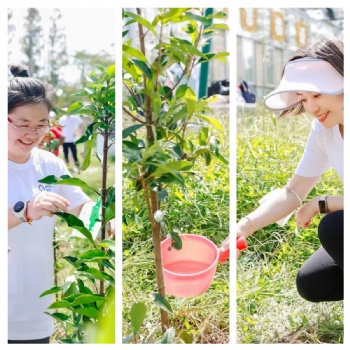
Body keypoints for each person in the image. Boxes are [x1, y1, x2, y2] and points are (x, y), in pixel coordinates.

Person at [221, 38, 344, 302]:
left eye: (318, 95)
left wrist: (323, 203)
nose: (311, 108)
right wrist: (245, 226)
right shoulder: (325, 129)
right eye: (303, 98)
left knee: (335, 227)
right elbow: (293, 191)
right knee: (314, 282)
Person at [8, 65, 92, 343]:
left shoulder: (50, 165)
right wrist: (27, 211)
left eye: (41, 124)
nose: (32, 133)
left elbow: (82, 206)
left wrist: (105, 219)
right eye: (22, 124)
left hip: (34, 309)